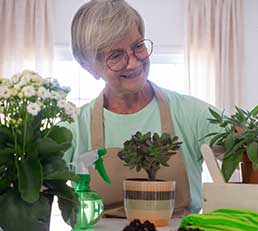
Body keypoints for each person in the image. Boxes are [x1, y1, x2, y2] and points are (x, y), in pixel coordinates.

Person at [64, 0, 221, 217]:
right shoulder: (74, 126)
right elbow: (36, 191)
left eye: (138, 46)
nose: (134, 63)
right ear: (89, 66)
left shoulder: (192, 114)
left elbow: (252, 153)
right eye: (116, 56)